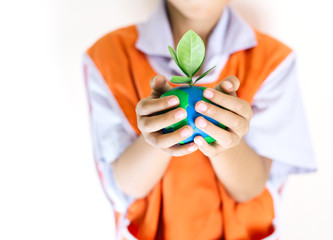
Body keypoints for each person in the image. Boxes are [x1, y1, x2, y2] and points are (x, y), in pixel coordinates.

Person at [83, 0, 316, 239]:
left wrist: (225, 139)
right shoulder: (108, 58)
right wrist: (158, 135)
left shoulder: (273, 62)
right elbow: (128, 184)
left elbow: (250, 188)